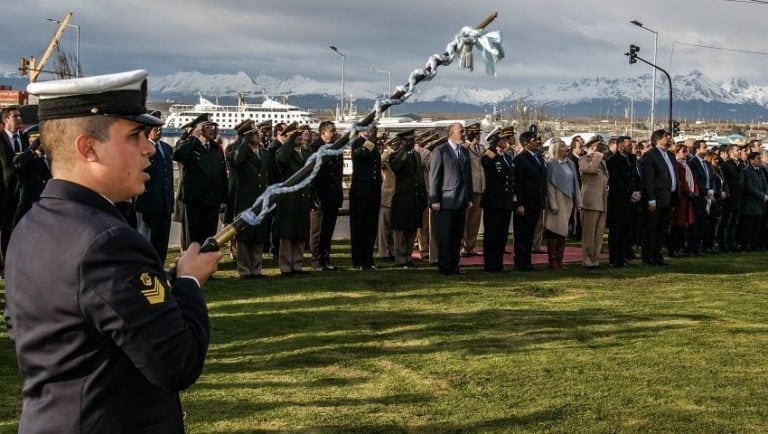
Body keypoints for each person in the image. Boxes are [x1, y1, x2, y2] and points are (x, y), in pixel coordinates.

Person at [3, 70, 221, 433]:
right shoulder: (107, 241)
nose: (150, 147)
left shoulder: (32, 225)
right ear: (87, 147)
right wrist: (188, 283)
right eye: (134, 136)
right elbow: (177, 363)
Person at [173, 115, 228, 247]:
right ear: (198, 129)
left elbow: (222, 175)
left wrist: (223, 199)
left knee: (209, 238)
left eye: (213, 126)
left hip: (212, 201)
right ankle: (191, 265)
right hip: (194, 201)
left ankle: (206, 264)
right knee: (193, 239)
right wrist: (194, 138)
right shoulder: (189, 145)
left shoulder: (215, 148)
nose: (212, 129)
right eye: (207, 126)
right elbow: (178, 155)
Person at [228, 121, 273, 278]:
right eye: (254, 134)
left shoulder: (263, 152)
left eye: (257, 133)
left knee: (259, 234)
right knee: (245, 235)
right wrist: (244, 143)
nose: (258, 136)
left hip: (261, 199)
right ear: (246, 137)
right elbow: (235, 161)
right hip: (245, 199)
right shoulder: (239, 151)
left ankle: (256, 268)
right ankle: (245, 269)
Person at [429, 123, 473, 275]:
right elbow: (434, 177)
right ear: (451, 133)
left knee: (456, 236)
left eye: (464, 131)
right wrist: (434, 200)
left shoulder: (465, 152)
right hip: (445, 201)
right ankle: (445, 266)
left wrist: (469, 197)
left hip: (461, 201)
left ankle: (455, 264)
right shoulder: (440, 151)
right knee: (445, 236)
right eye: (461, 131)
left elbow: (468, 177)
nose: (464, 134)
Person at [135, 111, 175, 264]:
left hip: (164, 203)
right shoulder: (141, 148)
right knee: (147, 241)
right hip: (148, 202)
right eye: (155, 128)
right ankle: (146, 269)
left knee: (161, 242)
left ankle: (159, 269)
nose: (158, 130)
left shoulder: (166, 148)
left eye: (160, 127)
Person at [275, 123, 313, 275]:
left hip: (303, 196)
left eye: (300, 135)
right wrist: (289, 142)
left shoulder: (306, 153)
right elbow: (281, 161)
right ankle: (285, 266)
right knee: (287, 233)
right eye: (296, 136)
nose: (300, 138)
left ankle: (297, 264)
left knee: (300, 232)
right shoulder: (282, 152)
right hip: (289, 198)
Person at [390, 129, 428, 268]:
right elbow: (395, 167)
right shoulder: (396, 155)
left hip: (415, 198)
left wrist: (424, 195)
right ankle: (400, 258)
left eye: (412, 140)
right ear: (402, 142)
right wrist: (403, 152)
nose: (412, 143)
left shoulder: (417, 155)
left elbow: (420, 176)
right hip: (402, 199)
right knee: (401, 230)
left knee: (412, 229)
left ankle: (408, 256)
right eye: (409, 141)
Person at [641, 129, 679, 266]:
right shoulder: (650, 156)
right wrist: (651, 198)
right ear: (657, 139)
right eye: (665, 136)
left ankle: (657, 255)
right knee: (651, 228)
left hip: (669, 197)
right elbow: (648, 180)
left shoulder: (670, 155)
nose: (669, 138)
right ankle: (648, 256)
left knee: (662, 229)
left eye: (669, 136)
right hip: (656, 198)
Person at [480, 127, 515, 272]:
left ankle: (498, 264)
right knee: (491, 234)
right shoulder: (490, 154)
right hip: (493, 202)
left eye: (507, 139)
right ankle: (490, 264)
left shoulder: (507, 157)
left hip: (505, 201)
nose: (506, 141)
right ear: (496, 140)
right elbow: (485, 162)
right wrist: (492, 147)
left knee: (501, 235)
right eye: (503, 139)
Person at [309, 121, 342, 270]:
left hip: (332, 195)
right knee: (318, 231)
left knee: (328, 230)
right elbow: (312, 175)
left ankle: (325, 258)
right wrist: (314, 197)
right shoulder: (315, 148)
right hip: (320, 195)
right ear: (323, 133)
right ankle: (316, 260)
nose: (334, 133)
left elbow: (337, 174)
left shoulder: (335, 148)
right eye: (332, 131)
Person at [543, 138, 581, 270]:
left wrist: (578, 201)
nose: (567, 149)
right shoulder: (551, 164)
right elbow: (549, 186)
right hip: (558, 202)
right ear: (557, 149)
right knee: (554, 231)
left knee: (564, 232)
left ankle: (560, 259)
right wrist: (553, 204)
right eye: (563, 146)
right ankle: (552, 260)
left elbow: (576, 183)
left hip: (569, 202)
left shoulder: (570, 163)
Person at [512, 131, 547, 271]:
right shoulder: (520, 159)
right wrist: (519, 203)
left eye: (539, 139)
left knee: (530, 233)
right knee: (522, 234)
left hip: (536, 202)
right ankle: (520, 261)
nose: (538, 141)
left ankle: (527, 260)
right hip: (525, 202)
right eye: (535, 140)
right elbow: (517, 184)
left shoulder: (538, 157)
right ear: (526, 143)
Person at [348, 128, 382, 270]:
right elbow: (360, 155)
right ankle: (358, 260)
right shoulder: (357, 143)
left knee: (370, 227)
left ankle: (368, 259)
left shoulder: (373, 145)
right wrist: (369, 142)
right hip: (360, 192)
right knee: (359, 227)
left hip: (373, 192)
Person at [605, 136, 641, 268]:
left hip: (631, 202)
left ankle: (622, 257)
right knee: (616, 232)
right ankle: (613, 259)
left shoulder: (631, 159)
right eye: (628, 145)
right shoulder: (613, 161)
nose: (631, 146)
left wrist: (638, 192)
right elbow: (615, 181)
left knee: (628, 231)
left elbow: (636, 178)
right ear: (620, 146)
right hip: (618, 202)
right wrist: (629, 193)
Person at [0, 106, 28, 260]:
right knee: (6, 229)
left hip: (25, 192)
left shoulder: (25, 137)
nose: (19, 119)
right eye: (15, 116)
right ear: (6, 120)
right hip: (5, 193)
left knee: (23, 227)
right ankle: (4, 264)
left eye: (20, 116)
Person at [11, 125, 51, 226]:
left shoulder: (53, 158)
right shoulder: (25, 159)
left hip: (48, 207)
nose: (37, 143)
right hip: (29, 207)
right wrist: (31, 149)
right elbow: (17, 167)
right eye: (32, 140)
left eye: (38, 139)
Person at [579, 136, 609, 268]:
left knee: (599, 232)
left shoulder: (601, 161)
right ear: (591, 147)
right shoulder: (583, 160)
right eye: (597, 147)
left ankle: (595, 259)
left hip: (601, 201)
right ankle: (587, 260)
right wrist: (596, 156)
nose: (600, 150)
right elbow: (590, 170)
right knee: (589, 233)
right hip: (590, 202)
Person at [668, 144, 697, 258]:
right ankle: (673, 248)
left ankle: (679, 247)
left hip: (687, 199)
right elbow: (680, 182)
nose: (686, 154)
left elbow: (693, 179)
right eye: (683, 151)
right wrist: (689, 192)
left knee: (684, 225)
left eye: (686, 151)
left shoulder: (686, 165)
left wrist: (694, 191)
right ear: (676, 153)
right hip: (680, 199)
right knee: (676, 225)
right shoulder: (676, 165)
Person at [687, 140, 715, 255]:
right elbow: (696, 179)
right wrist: (706, 190)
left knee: (703, 223)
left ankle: (699, 246)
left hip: (707, 197)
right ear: (697, 149)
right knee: (696, 223)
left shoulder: (707, 163)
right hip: (699, 197)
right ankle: (692, 247)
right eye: (704, 147)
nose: (707, 149)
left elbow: (712, 178)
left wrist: (712, 189)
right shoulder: (692, 162)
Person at [461, 122, 485, 257]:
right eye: (476, 134)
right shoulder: (464, 148)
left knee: (475, 220)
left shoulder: (481, 149)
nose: (478, 136)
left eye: (479, 134)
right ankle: (463, 246)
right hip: (469, 188)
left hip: (480, 188)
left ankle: (471, 246)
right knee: (465, 219)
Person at [739, 152, 768, 252]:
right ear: (751, 160)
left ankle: (754, 245)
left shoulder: (760, 170)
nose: (760, 160)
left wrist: (766, 194)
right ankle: (744, 246)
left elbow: (765, 184)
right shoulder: (746, 171)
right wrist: (762, 195)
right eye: (758, 158)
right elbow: (749, 187)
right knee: (748, 226)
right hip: (750, 203)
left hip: (760, 203)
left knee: (758, 226)